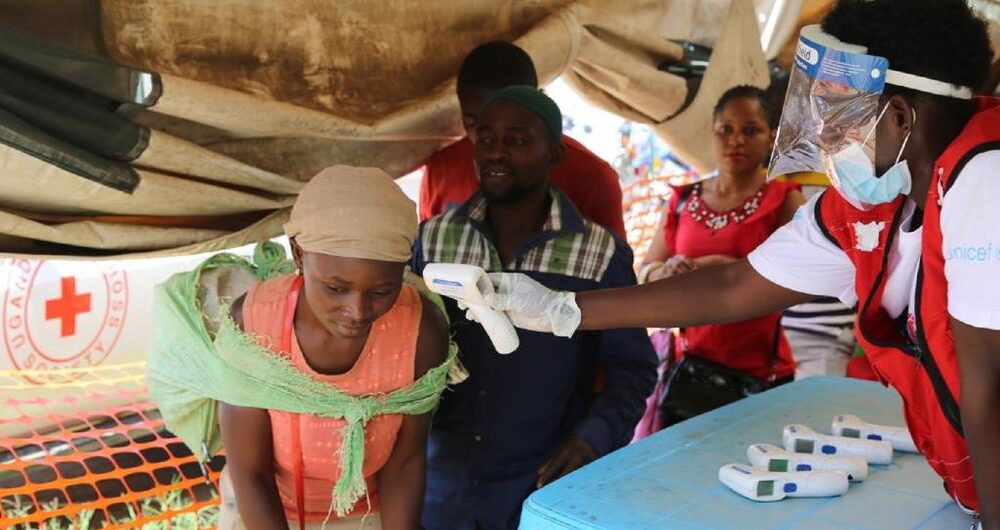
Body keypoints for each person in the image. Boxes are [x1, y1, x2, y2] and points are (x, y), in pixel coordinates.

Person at [478, 1, 1000, 528]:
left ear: (902, 117)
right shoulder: (878, 207)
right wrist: (562, 310)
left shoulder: (985, 180)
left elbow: (990, 392)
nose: (823, 139)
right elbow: (734, 285)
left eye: (839, 118)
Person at [411, 86, 657, 530]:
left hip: (539, 483)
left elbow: (633, 369)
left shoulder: (598, 253)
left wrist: (592, 439)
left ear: (555, 154)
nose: (497, 153)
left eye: (517, 139)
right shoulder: (433, 240)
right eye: (486, 138)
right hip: (439, 481)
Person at [191, 167, 448, 530]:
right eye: (335, 288)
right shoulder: (256, 324)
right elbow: (252, 473)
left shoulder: (421, 329)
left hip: (365, 515)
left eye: (380, 292)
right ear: (298, 254)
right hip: (265, 510)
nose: (357, 312)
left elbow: (404, 463)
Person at [640, 86, 804, 423]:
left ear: (771, 137)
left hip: (761, 375)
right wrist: (668, 271)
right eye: (725, 129)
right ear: (712, 133)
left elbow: (797, 284)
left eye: (750, 130)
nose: (735, 140)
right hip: (691, 369)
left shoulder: (786, 201)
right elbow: (645, 272)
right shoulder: (683, 201)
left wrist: (727, 272)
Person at [418, 41, 627, 238]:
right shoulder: (440, 170)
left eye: (514, 136)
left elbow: (615, 271)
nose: (493, 151)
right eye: (475, 126)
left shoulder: (592, 178)